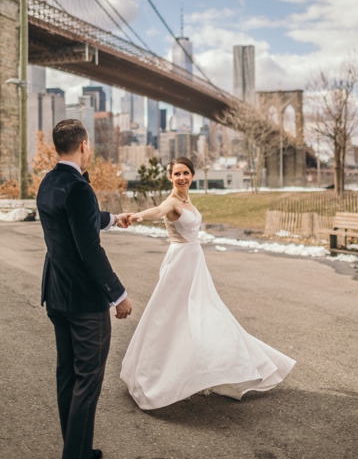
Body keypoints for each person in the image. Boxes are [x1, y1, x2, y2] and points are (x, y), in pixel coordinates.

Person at [120, 156, 295, 410]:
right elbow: (157, 212)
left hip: (195, 263)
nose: (181, 177)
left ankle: (209, 369)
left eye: (186, 173)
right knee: (170, 318)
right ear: (170, 177)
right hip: (179, 265)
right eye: (177, 173)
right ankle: (159, 376)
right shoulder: (172, 202)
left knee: (204, 316)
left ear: (192, 176)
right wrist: (136, 216)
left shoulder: (186, 199)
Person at [35, 119, 134, 459]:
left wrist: (112, 218)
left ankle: (75, 448)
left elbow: (78, 224)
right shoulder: (78, 188)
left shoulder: (49, 183)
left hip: (57, 295)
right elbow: (87, 248)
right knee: (87, 379)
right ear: (84, 146)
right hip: (83, 301)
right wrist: (118, 294)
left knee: (68, 376)